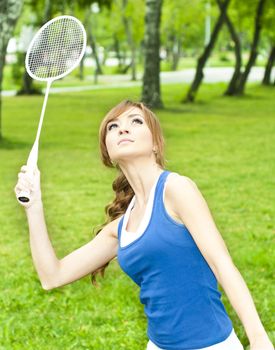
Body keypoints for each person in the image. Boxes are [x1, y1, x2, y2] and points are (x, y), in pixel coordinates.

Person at [14, 100, 273, 350]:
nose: (122, 128)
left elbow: (222, 263)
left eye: (135, 121)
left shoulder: (176, 189)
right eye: (112, 127)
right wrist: (33, 206)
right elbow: (52, 276)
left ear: (156, 145)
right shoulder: (121, 228)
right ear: (108, 153)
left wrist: (258, 337)